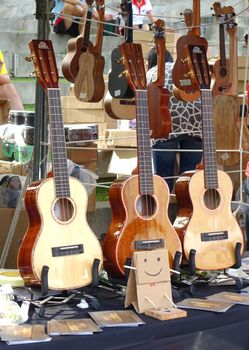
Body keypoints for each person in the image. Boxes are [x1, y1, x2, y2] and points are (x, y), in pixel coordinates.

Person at [146, 47, 203, 193]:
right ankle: (187, 211)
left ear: (149, 61)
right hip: (195, 126)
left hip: (166, 128)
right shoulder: (184, 71)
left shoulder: (152, 73)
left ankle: (164, 211)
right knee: (189, 179)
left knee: (164, 179)